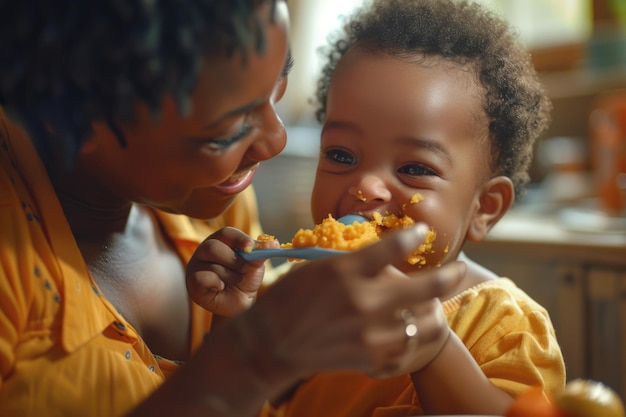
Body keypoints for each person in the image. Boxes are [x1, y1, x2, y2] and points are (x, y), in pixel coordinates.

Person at [0, 1, 468, 416]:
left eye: (277, 84)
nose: (276, 140)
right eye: (225, 132)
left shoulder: (220, 202)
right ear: (73, 126)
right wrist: (248, 357)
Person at [188, 0, 567, 416]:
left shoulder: (503, 325)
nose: (366, 187)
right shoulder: (292, 295)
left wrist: (436, 353)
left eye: (414, 168)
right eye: (342, 156)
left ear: (485, 208)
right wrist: (236, 321)